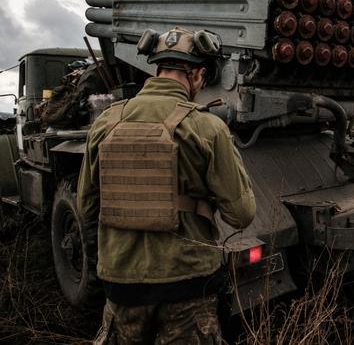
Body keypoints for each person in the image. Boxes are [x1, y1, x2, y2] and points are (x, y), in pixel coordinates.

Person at [78, 27, 256, 344]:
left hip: (121, 285)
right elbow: (241, 215)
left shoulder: (106, 121)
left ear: (157, 69)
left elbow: (87, 208)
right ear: (199, 75)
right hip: (187, 284)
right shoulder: (208, 127)